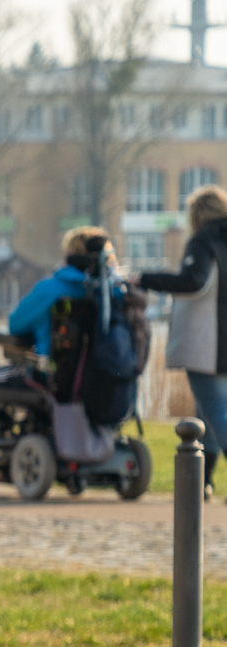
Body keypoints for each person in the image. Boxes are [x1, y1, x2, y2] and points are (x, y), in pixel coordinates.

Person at [135, 186, 227, 499]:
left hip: (209, 343)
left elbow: (191, 280)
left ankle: (203, 483)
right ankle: (203, 483)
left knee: (216, 411)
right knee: (207, 413)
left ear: (197, 214)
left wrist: (145, 279)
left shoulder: (204, 240)